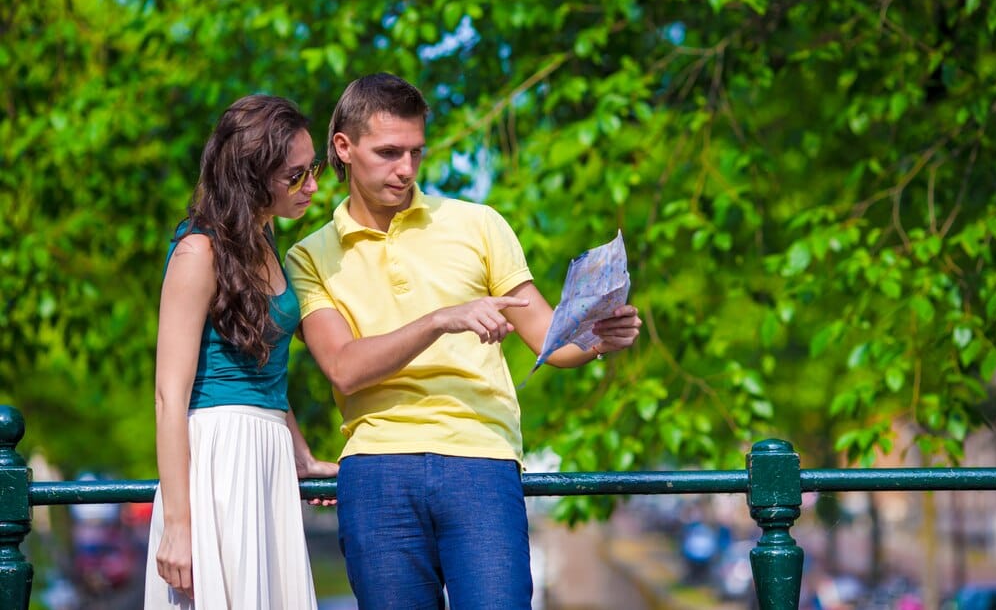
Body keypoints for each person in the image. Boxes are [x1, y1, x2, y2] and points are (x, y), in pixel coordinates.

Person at [285, 73, 642, 609]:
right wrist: (440, 320)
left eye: (415, 153)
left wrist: (596, 337)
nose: (405, 169)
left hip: (481, 459)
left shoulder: (479, 224)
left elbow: (549, 338)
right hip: (377, 468)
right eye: (388, 152)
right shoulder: (308, 256)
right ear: (344, 147)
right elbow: (343, 367)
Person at [144, 94, 339, 610]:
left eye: (312, 169)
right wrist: (179, 527)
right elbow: (169, 397)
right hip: (217, 460)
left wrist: (301, 454)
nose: (313, 186)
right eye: (295, 175)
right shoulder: (197, 252)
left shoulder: (265, 238)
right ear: (252, 178)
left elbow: (266, 369)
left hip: (269, 456)